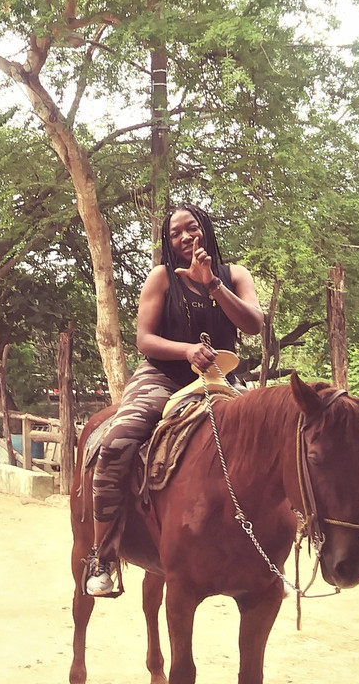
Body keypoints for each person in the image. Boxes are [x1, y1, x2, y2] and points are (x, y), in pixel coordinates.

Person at [85, 203, 264, 597]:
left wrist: (212, 284)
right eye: (175, 234)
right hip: (164, 376)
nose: (185, 237)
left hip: (222, 376)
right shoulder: (161, 277)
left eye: (191, 228)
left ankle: (272, 552)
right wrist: (186, 351)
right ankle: (104, 554)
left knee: (273, 438)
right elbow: (144, 339)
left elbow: (253, 324)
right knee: (118, 442)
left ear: (206, 229)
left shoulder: (235, 275)